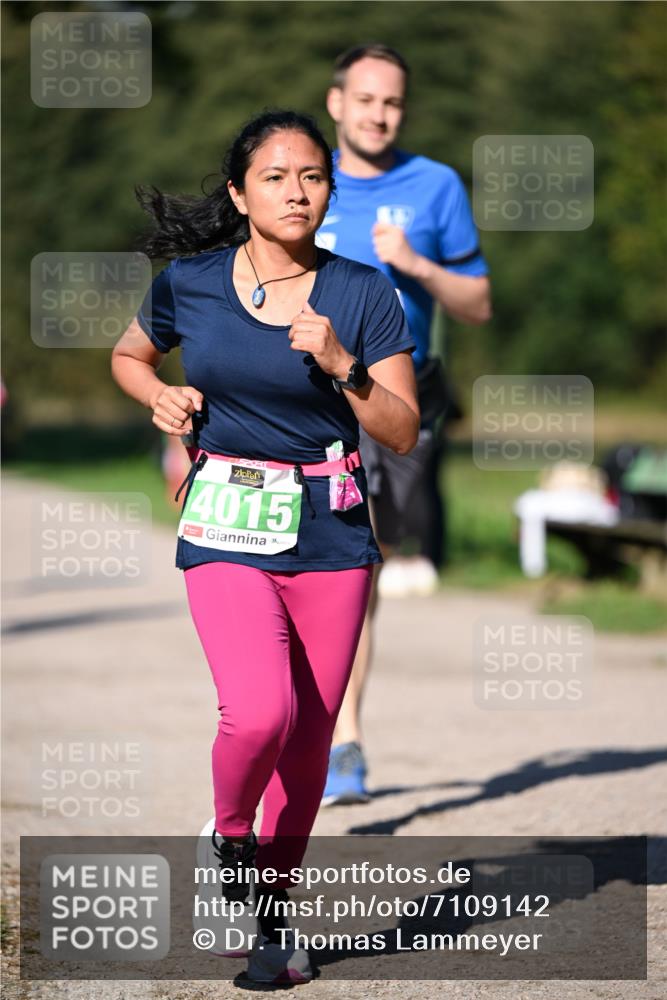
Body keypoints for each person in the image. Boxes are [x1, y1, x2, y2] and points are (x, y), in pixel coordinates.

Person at [111, 110, 418, 985]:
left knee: (309, 742)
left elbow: (400, 430)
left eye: (312, 176)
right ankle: (228, 839)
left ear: (330, 190)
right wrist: (159, 396)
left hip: (331, 530)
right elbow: (130, 357)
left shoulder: (361, 292)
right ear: (240, 194)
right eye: (275, 177)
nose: (296, 191)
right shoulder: (191, 282)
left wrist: (345, 366)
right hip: (227, 519)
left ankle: (272, 919)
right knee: (257, 714)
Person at [319, 44, 492, 805]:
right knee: (318, 563)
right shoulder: (302, 178)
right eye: (365, 100)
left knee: (362, 569)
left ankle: (341, 737)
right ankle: (325, 730)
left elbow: (478, 304)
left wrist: (417, 265)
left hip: (395, 400)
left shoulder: (435, 185)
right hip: (308, 400)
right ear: (336, 103)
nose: (378, 115)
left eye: (391, 102)